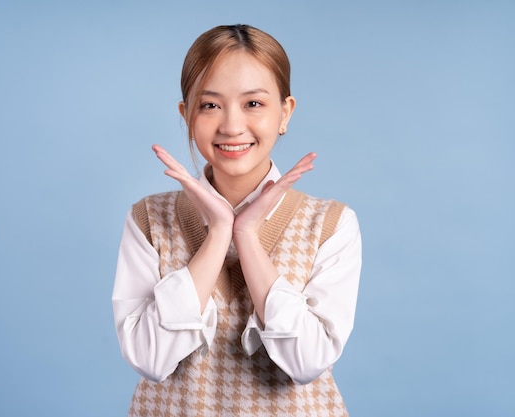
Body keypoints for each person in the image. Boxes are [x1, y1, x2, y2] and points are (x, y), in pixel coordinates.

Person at [112, 24, 362, 417]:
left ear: (285, 112)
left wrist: (245, 234)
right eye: (210, 105)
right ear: (187, 115)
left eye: (254, 104)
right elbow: (149, 359)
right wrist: (217, 236)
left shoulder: (329, 224)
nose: (231, 125)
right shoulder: (148, 219)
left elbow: (307, 363)